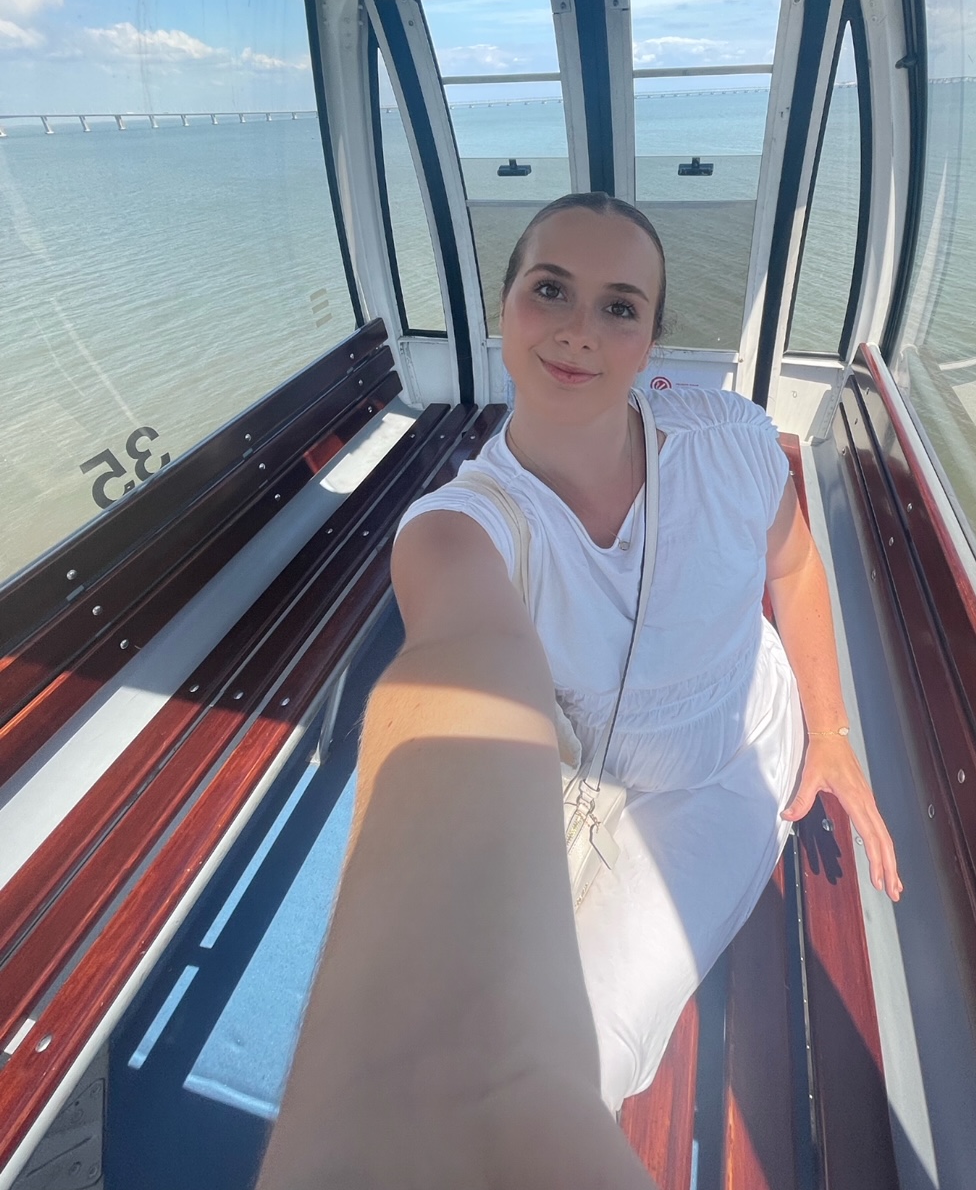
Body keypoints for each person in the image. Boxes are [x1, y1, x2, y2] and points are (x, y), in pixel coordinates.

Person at [256, 193, 900, 1190]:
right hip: (556, 786)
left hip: (718, 774)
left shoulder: (728, 442)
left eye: (619, 307)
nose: (577, 330)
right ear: (502, 314)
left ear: (650, 343)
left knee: (579, 1059)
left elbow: (799, 569)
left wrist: (831, 727)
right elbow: (462, 659)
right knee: (467, 1040)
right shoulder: (461, 528)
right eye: (549, 289)